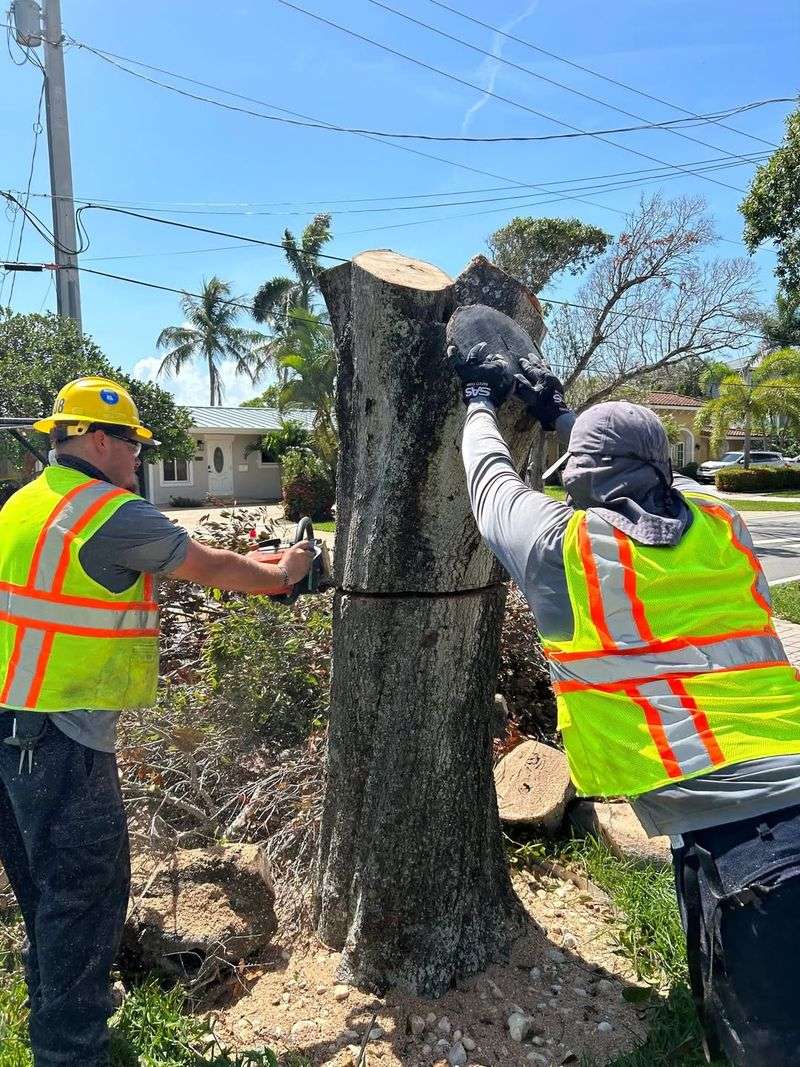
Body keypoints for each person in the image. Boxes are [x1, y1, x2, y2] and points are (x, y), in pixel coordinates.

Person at [451, 316, 800, 1067]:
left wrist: (479, 398)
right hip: (757, 825)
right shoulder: (723, 524)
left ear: (580, 482)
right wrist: (561, 415)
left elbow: (489, 483)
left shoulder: (563, 552)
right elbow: (643, 472)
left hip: (757, 857)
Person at [0, 376, 313, 1067]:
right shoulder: (107, 511)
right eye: (134, 445)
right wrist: (287, 567)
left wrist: (256, 564)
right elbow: (212, 567)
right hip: (61, 739)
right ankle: (70, 1052)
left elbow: (186, 562)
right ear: (98, 439)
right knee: (84, 903)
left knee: (46, 899)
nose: (140, 459)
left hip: (11, 730)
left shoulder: (26, 505)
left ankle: (52, 1024)